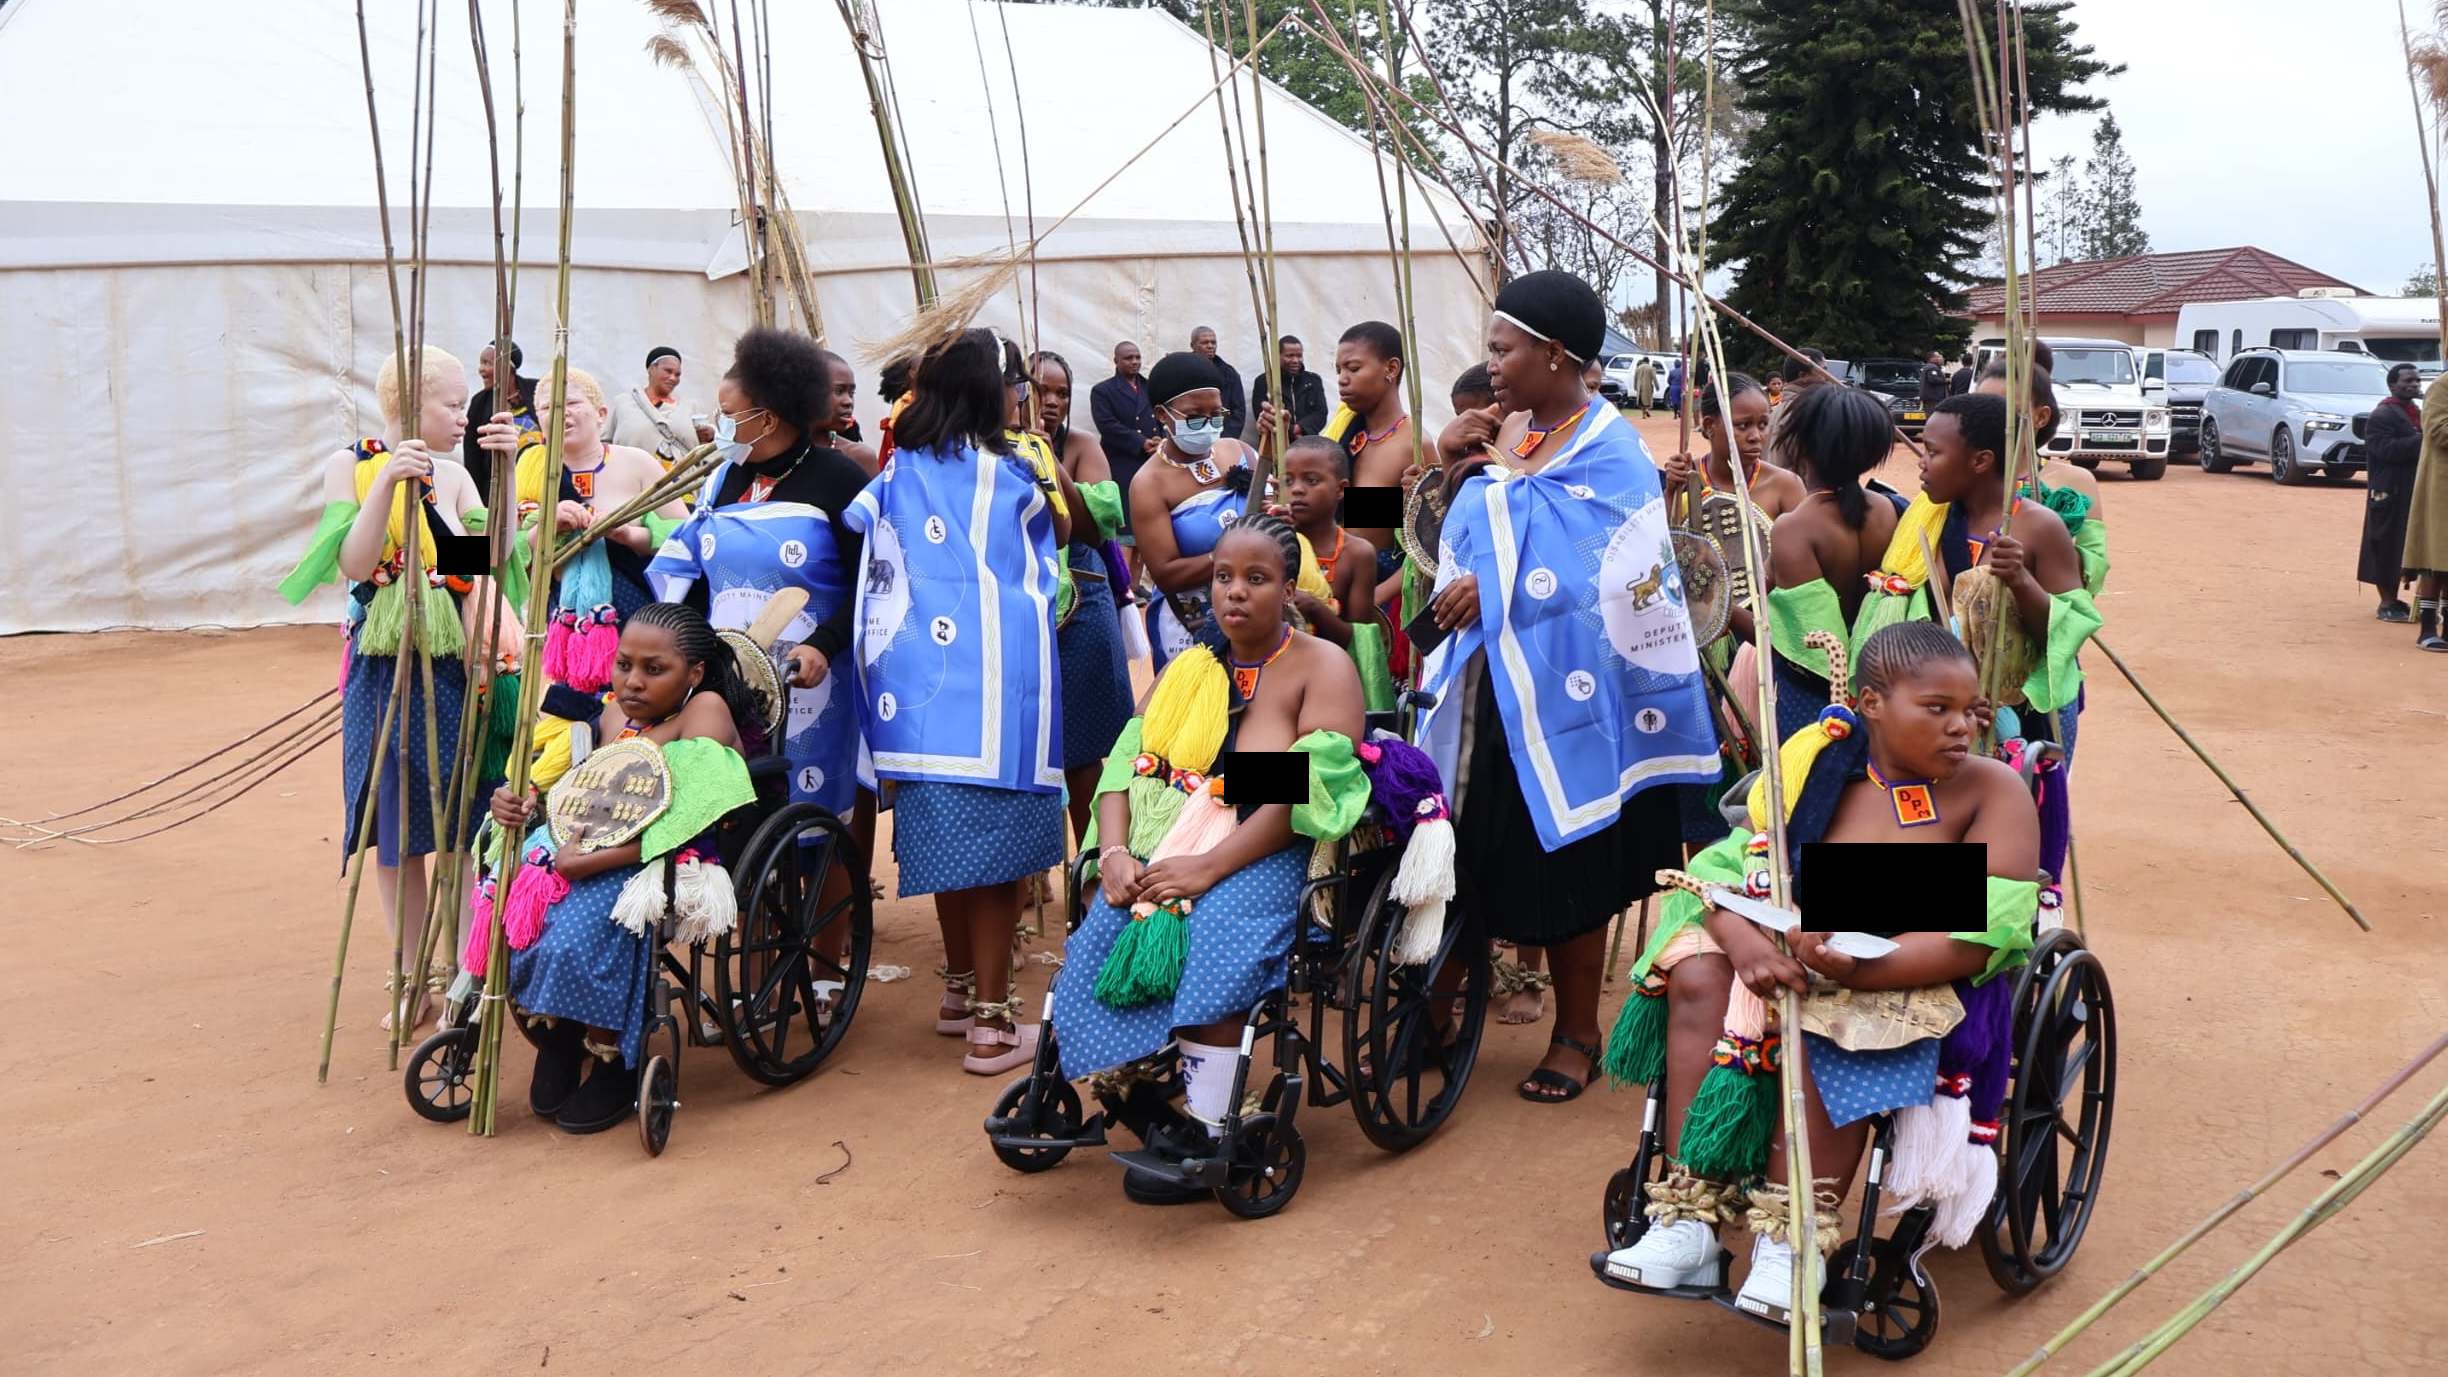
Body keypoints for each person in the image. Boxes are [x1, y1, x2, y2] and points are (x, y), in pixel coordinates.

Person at [1596, 621, 2040, 1320]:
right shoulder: (1817, 763)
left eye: (1967, 709)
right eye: (1937, 708)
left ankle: (1792, 1239)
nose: (1961, 726)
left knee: (1833, 1015)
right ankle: (1689, 1218)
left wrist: (1861, 965)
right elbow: (1727, 868)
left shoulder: (1994, 789)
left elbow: (1989, 925)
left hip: (1906, 963)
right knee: (1701, 977)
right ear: (1871, 704)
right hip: (1790, 932)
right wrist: (1742, 940)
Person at [1425, 269, 1722, 1104]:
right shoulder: (1505, 434)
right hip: (1490, 688)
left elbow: (1615, 576)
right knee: (1466, 847)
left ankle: (1578, 1032)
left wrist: (1499, 589)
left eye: (1503, 349)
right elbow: (1461, 534)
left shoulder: (1612, 450)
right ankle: (1437, 1012)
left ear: (1555, 354)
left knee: (1572, 857)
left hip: (1577, 697)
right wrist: (1453, 468)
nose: (1491, 364)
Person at [1050, 514, 1370, 1202]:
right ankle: (1134, 1082)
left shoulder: (1323, 666)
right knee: (1110, 920)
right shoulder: (1191, 666)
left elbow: (1305, 788)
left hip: (1272, 847)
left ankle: (1212, 1122)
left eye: (1257, 578)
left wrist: (1211, 859)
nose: (1235, 592)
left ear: (1289, 588)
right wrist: (1113, 852)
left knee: (1214, 930)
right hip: (1177, 834)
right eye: (1224, 576)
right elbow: (1129, 762)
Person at [847, 327, 1072, 1075]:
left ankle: (959, 993)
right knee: (999, 865)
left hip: (914, 703)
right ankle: (993, 1027)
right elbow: (1057, 537)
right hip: (995, 699)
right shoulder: (1008, 475)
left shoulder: (899, 467)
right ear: (991, 393)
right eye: (1014, 384)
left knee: (948, 855)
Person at [278, 345, 497, 1033]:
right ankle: (411, 977)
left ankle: (462, 973)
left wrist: (488, 485)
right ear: (409, 404)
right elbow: (355, 561)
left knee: (459, 829)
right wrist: (387, 485)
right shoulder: (349, 465)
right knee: (395, 831)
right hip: (382, 671)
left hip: (452, 668)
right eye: (452, 404)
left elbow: (482, 564)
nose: (464, 417)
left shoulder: (456, 475)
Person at [483, 602, 759, 1134]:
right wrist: (520, 802)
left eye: (655, 670)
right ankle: (559, 1032)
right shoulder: (613, 715)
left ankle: (610, 1052)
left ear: (693, 674)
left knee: (582, 927)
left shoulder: (703, 712)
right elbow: (567, 787)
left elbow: (688, 816)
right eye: (624, 664)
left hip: (662, 853)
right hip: (589, 847)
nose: (633, 681)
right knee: (515, 907)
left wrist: (590, 862)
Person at [648, 325, 869, 826]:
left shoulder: (838, 480)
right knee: (731, 814)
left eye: (728, 415)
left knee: (811, 817)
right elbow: (697, 581)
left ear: (766, 419)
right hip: (728, 682)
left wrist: (824, 644)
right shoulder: (723, 481)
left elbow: (871, 583)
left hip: (813, 683)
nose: (718, 426)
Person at [478, 368, 688, 672]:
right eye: (548, 407)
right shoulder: (528, 467)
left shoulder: (637, 463)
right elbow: (507, 549)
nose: (561, 412)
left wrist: (629, 535)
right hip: (556, 621)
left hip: (638, 618)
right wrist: (548, 528)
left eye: (572, 403)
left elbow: (686, 539)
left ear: (601, 414)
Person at [1029, 350, 1139, 845]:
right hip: (1023, 610)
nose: (1052, 402)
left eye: (1062, 393)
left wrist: (1049, 462)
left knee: (1084, 751)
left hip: (1082, 605)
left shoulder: (1082, 447)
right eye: (1041, 391)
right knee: (1030, 747)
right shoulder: (993, 450)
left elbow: (1095, 530)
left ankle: (1093, 863)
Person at [1130, 350, 1262, 669]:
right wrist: (1232, 555)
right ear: (1162, 415)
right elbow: (1166, 573)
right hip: (1190, 624)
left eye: (1216, 415)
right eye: (1194, 416)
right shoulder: (1149, 484)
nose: (1208, 424)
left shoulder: (1240, 451)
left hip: (1254, 614)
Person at [1659, 373, 1807, 654]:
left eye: (1763, 424)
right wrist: (1670, 494)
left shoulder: (1785, 486)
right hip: (1695, 639)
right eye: (1742, 425)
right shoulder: (1685, 482)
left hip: (1765, 640)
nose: (1756, 437)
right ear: (1709, 426)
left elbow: (1801, 578)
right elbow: (1664, 558)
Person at [1976, 360, 2107, 597]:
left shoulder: (2075, 481)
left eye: (2009, 411)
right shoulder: (1961, 478)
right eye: (1982, 409)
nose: (1992, 421)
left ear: (2041, 416)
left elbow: (2093, 569)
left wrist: (2043, 543)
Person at [1279, 436, 1392, 707]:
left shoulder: (1357, 553)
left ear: (1341, 489)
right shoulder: (1273, 541)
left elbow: (1360, 640)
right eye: (1288, 481)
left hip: (1329, 686)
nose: (1297, 490)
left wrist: (1315, 609)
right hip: (1277, 681)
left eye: (1311, 480)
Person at [2360, 363, 2424, 623]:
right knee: (2385, 544)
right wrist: (2423, 439)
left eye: (2416, 380)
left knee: (2405, 545)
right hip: (2388, 492)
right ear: (2392, 384)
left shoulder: (2415, 412)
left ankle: (2405, 601)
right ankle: (2386, 602)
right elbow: (2385, 450)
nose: (2414, 384)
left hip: (2411, 490)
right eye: (2407, 380)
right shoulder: (2382, 415)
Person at [1089, 341, 1161, 519]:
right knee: (1128, 514)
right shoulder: (1102, 391)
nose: (1135, 362)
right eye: (1129, 358)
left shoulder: (1151, 387)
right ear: (1116, 361)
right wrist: (1141, 442)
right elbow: (1107, 425)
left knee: (1153, 508)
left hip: (1153, 458)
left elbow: (1162, 415)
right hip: (1122, 461)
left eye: (1138, 357)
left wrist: (1161, 440)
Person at [605, 346, 709, 466]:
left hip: (683, 477)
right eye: (668, 371)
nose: (673, 378)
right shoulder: (623, 403)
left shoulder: (689, 407)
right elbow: (603, 445)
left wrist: (709, 435)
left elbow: (704, 447)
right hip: (633, 476)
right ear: (651, 369)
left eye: (677, 374)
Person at [463, 340, 540, 496]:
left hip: (537, 481)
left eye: (488, 363)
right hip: (498, 490)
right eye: (481, 363)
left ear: (508, 366)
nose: (481, 369)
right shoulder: (479, 403)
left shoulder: (536, 390)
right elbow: (472, 456)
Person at [2406, 368, 2448, 652]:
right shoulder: (2442, 387)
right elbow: (2437, 431)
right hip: (2441, 487)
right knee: (2435, 557)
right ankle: (2428, 629)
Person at [1248, 334, 1331, 439]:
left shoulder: (1314, 380)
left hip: (1307, 442)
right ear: (1277, 356)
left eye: (1299, 356)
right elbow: (1262, 415)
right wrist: (1292, 432)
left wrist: (1299, 428)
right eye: (1290, 356)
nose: (1296, 360)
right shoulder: (1264, 381)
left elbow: (1321, 413)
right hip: (1274, 444)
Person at [815, 348, 881, 476]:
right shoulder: (782, 454)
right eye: (839, 391)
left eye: (851, 393)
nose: (848, 401)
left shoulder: (859, 457)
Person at [1190, 325, 1249, 443]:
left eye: (1213, 342)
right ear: (1193, 345)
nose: (1210, 346)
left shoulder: (1229, 374)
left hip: (1221, 436)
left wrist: (1224, 439)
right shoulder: (1183, 370)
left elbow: (1238, 411)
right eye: (1205, 343)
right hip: (1190, 435)